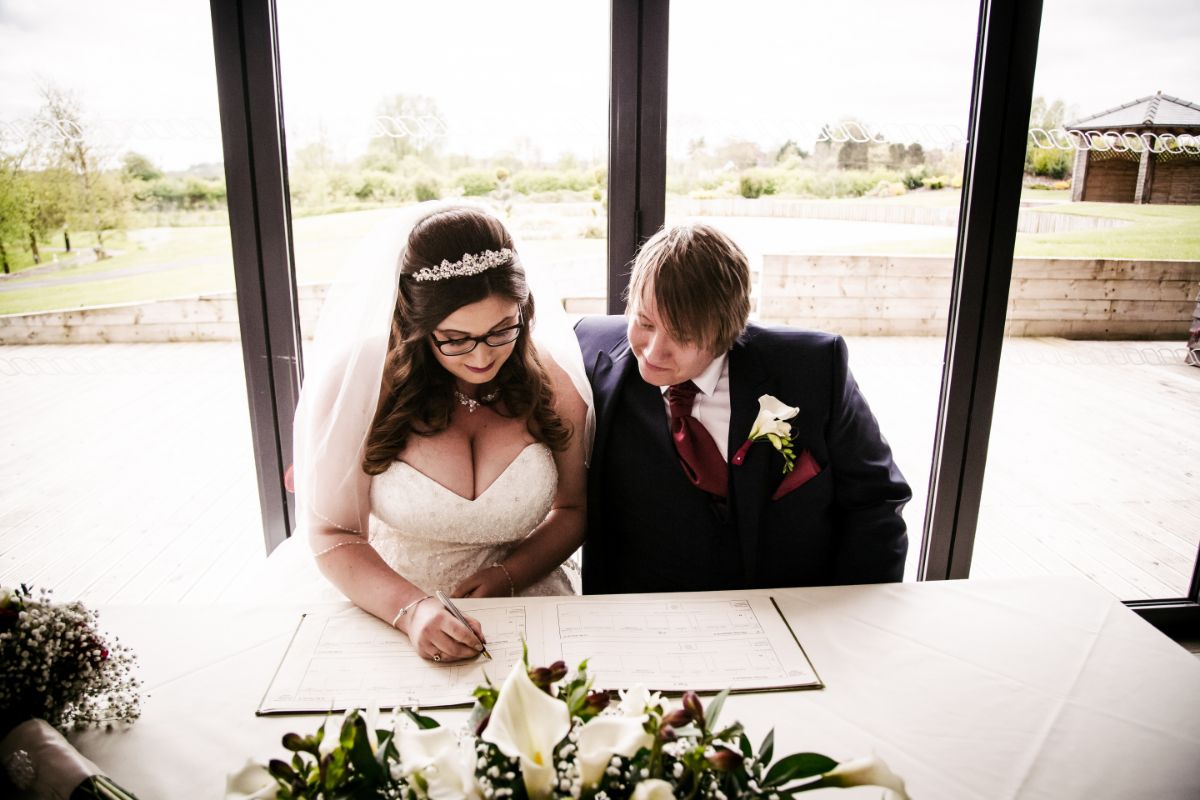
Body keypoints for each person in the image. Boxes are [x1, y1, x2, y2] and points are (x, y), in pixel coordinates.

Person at [293, 204, 588, 663]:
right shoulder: (361, 382)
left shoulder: (554, 381)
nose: (482, 357)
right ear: (416, 325)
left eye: (502, 330)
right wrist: (411, 611)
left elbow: (571, 509)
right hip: (388, 603)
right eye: (455, 338)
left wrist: (508, 575)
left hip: (530, 598)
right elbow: (334, 533)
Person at [574, 222, 910, 594]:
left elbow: (876, 500)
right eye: (644, 322)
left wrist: (856, 620)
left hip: (788, 611)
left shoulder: (813, 369)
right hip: (641, 615)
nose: (653, 352)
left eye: (682, 336)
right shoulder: (588, 351)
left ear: (726, 332)